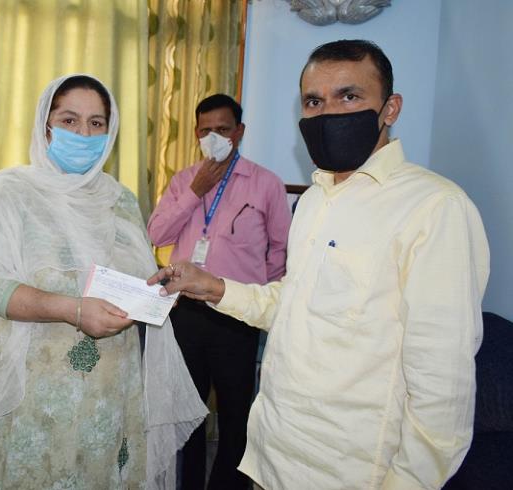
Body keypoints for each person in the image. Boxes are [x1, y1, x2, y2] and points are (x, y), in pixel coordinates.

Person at [148, 40, 490, 489]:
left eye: (349, 96)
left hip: (352, 470)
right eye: (314, 101)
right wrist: (215, 287)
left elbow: (442, 390)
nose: (329, 113)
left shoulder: (434, 208)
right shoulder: (314, 200)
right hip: (276, 455)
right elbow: (295, 303)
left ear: (390, 108)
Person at [0, 74, 207, 489]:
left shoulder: (120, 200)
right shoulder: (8, 193)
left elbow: (129, 280)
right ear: (46, 126)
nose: (84, 134)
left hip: (108, 393)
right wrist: (73, 310)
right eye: (69, 121)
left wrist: (158, 291)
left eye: (96, 123)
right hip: (32, 393)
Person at [147, 94, 290, 489]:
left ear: (239, 132)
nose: (213, 137)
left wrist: (262, 299)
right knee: (188, 413)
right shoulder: (183, 181)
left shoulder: (266, 183)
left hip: (237, 313)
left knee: (235, 416)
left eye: (223, 129)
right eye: (206, 130)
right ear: (196, 133)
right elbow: (157, 234)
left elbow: (280, 250)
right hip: (186, 311)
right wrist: (195, 192)